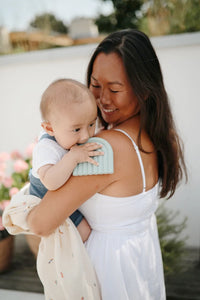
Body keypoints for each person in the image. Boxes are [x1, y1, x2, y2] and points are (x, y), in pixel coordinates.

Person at [4, 29, 187, 300]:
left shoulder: (105, 148)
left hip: (106, 271)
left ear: (145, 90)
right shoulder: (156, 135)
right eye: (95, 84)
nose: (102, 99)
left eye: (115, 89)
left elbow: (42, 223)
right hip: (137, 262)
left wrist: (23, 206)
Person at [29, 78, 104, 242]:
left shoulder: (70, 132)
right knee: (85, 232)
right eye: (76, 129)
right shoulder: (46, 149)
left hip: (65, 197)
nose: (86, 136)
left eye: (92, 124)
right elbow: (50, 182)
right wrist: (73, 157)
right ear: (50, 128)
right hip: (46, 201)